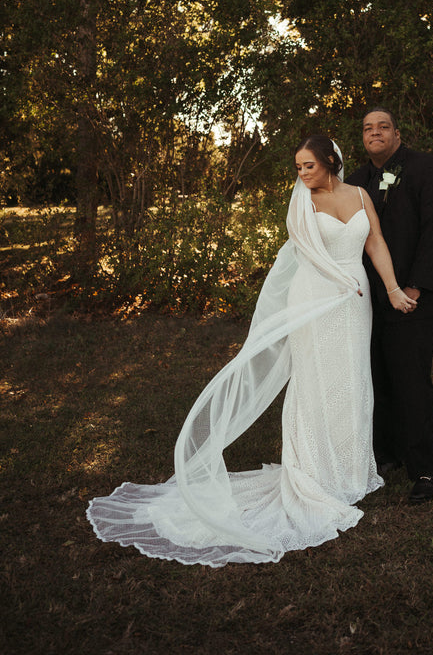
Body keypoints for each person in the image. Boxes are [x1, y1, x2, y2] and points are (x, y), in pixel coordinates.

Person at [87, 135, 415, 566]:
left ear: (331, 162)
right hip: (318, 296)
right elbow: (308, 252)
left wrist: (390, 288)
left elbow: (374, 243)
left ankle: (350, 473)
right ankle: (313, 475)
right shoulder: (301, 201)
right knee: (315, 382)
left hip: (354, 304)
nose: (302, 174)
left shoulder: (359, 194)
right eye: (298, 167)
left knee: (352, 379)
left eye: (309, 167)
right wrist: (342, 282)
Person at [346, 108, 433, 504]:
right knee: (377, 375)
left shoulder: (427, 168)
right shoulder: (356, 181)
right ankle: (387, 453)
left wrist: (414, 287)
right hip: (370, 297)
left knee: (410, 379)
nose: (374, 132)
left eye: (382, 126)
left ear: (397, 133)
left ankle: (426, 469)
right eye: (367, 128)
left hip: (417, 294)